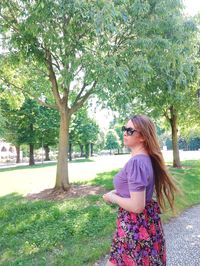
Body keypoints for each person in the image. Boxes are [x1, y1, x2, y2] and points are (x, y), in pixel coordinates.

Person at [103, 115, 178, 266]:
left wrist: (112, 197)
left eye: (130, 130)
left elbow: (137, 206)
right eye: (124, 129)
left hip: (134, 228)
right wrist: (118, 192)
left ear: (142, 136)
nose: (124, 133)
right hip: (143, 224)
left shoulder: (137, 162)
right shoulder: (145, 159)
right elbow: (135, 191)